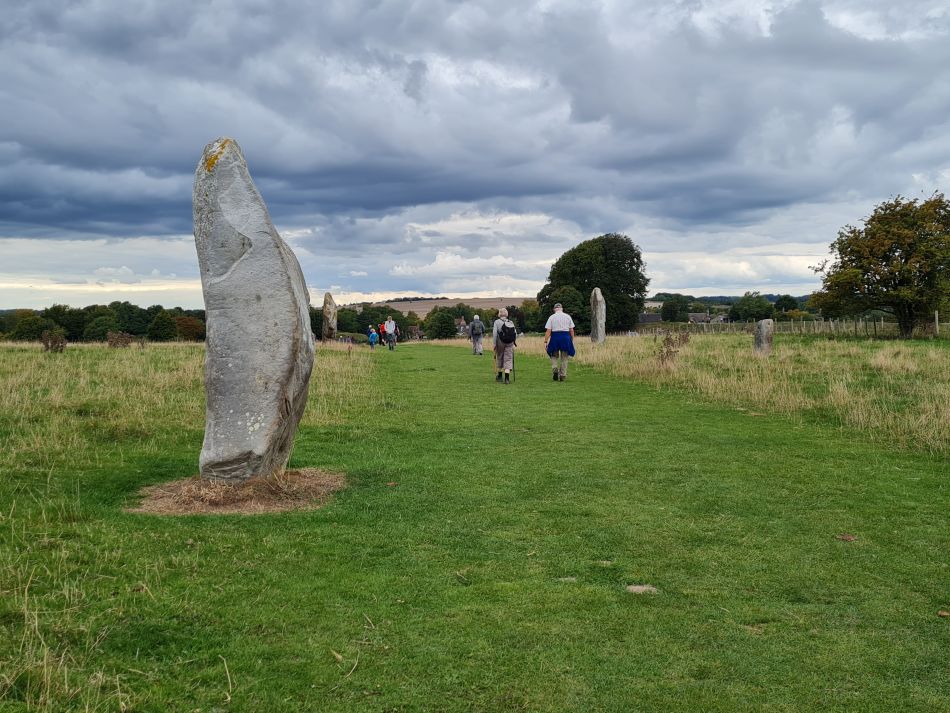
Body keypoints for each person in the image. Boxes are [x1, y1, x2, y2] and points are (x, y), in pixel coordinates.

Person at [544, 302, 575, 381]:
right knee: (564, 357)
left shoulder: (551, 317)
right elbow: (571, 330)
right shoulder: (568, 316)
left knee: (553, 354)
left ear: (554, 309)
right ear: (562, 309)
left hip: (555, 337)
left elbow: (548, 330)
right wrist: (571, 339)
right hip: (565, 337)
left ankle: (555, 367)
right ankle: (562, 375)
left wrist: (545, 341)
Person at [492, 308, 517, 384]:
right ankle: (507, 378)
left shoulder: (497, 322)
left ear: (499, 314)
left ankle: (499, 376)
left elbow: (495, 333)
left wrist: (494, 344)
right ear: (506, 314)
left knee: (500, 357)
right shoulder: (511, 322)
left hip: (500, 342)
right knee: (508, 359)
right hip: (510, 342)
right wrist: (514, 342)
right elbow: (515, 333)